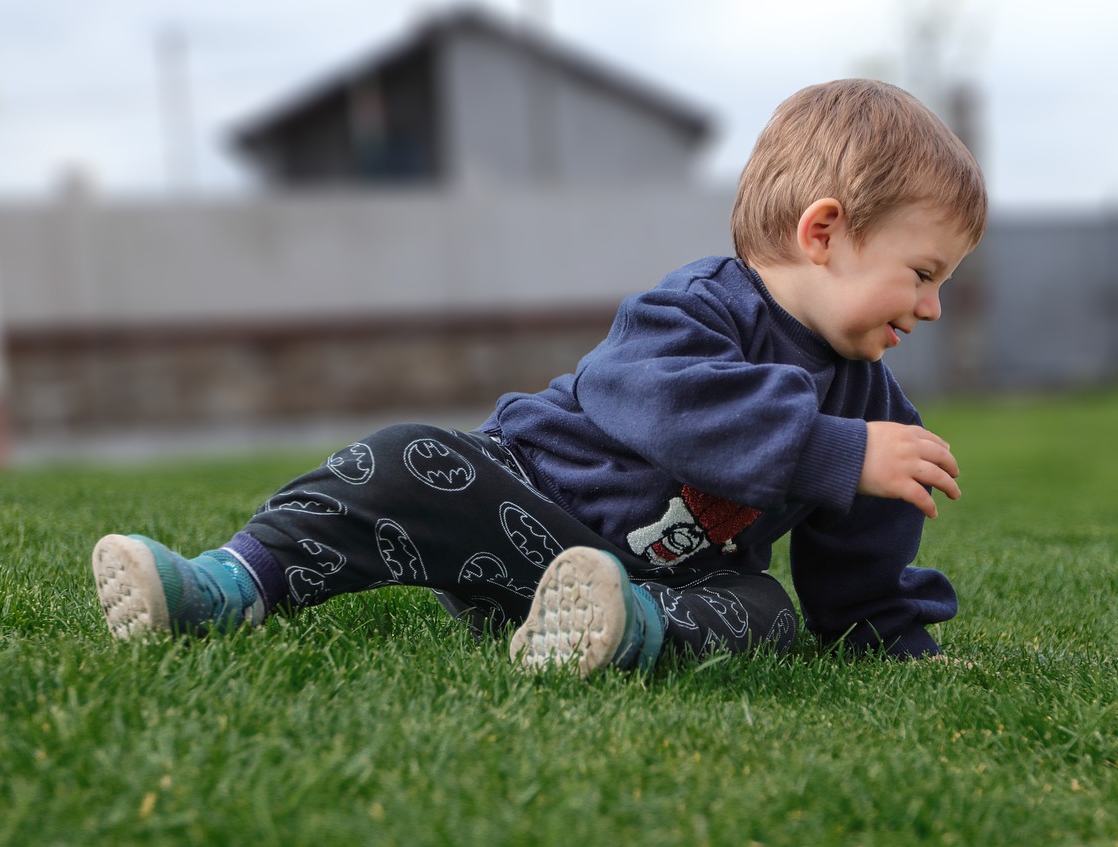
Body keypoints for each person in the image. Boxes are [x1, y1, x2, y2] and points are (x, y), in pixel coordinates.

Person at [91, 79, 987, 677]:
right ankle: (228, 586)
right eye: (923, 273)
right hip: (516, 513)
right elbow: (652, 398)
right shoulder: (697, 309)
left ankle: (618, 635)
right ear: (823, 232)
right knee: (405, 457)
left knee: (765, 612)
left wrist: (885, 632)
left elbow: (857, 541)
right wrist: (837, 452)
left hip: (647, 585)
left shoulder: (867, 405)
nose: (934, 306)